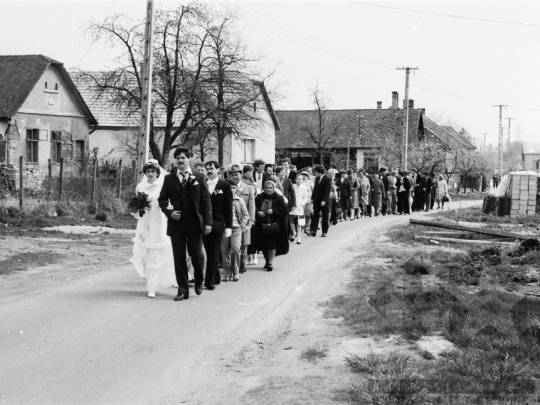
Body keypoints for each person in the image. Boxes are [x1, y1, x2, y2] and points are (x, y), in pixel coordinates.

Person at [158, 147, 212, 302]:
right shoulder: (169, 178)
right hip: (177, 225)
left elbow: (206, 201)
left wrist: (208, 223)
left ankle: (199, 279)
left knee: (196, 253)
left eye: (183, 157)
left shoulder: (199, 177)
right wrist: (170, 213)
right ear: (175, 160)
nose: (180, 160)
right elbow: (162, 200)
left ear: (189, 159)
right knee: (179, 257)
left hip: (194, 223)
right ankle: (182, 289)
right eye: (178, 158)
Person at [130, 159, 176, 298]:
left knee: (156, 252)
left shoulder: (162, 185)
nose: (150, 174)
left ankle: (152, 287)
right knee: (145, 252)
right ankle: (150, 280)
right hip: (145, 220)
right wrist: (138, 209)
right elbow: (135, 203)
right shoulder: (140, 187)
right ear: (145, 173)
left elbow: (168, 203)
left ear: (157, 173)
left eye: (153, 171)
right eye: (148, 171)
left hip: (158, 219)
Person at [202, 161, 232, 290]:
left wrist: (229, 226)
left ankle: (209, 280)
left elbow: (228, 208)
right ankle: (217, 276)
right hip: (205, 224)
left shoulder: (224, 186)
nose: (209, 171)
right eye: (207, 169)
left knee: (214, 252)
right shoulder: (203, 185)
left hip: (218, 223)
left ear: (218, 171)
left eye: (212, 169)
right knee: (209, 252)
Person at [254, 180, 289, 271]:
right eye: (267, 188)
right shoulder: (259, 197)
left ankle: (270, 263)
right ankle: (266, 261)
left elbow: (285, 208)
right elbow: (253, 206)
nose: (269, 189)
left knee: (272, 244)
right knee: (264, 244)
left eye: (270, 188)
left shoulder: (279, 197)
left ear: (274, 188)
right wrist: (258, 212)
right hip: (262, 224)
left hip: (274, 225)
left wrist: (274, 210)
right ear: (264, 188)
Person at [228, 164, 255, 274]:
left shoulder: (248, 187)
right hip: (233, 220)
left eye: (237, 174)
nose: (235, 177)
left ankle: (242, 264)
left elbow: (252, 205)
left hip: (245, 219)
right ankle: (234, 267)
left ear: (241, 174)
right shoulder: (227, 186)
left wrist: (251, 220)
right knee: (234, 245)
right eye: (233, 175)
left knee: (244, 244)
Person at [220, 179, 249, 281]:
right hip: (224, 228)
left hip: (236, 228)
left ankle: (236, 272)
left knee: (235, 249)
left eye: (233, 187)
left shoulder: (239, 200)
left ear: (236, 189)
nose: (231, 189)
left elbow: (245, 215)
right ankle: (227, 273)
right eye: (229, 187)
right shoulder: (221, 200)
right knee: (224, 251)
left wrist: (242, 225)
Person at [310, 165, 332, 237]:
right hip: (317, 199)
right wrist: (312, 198)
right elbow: (315, 189)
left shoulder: (328, 178)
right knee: (315, 215)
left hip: (324, 200)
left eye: (316, 172)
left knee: (325, 216)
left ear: (320, 172)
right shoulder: (316, 178)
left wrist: (324, 200)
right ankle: (313, 230)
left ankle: (324, 231)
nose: (315, 173)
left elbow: (328, 191)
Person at [276, 166, 296, 238]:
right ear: (277, 173)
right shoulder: (275, 181)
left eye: (284, 172)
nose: (283, 174)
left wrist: (294, 204)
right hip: (277, 205)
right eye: (281, 172)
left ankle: (286, 236)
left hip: (286, 205)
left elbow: (292, 193)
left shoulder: (288, 181)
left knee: (285, 220)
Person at [290, 173, 309, 244]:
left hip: (300, 207)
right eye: (298, 179)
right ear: (295, 180)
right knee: (291, 221)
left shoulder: (304, 188)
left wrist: (302, 203)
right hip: (293, 206)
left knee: (299, 223)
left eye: (301, 179)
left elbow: (306, 198)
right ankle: (294, 232)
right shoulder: (293, 186)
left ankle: (299, 238)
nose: (299, 180)